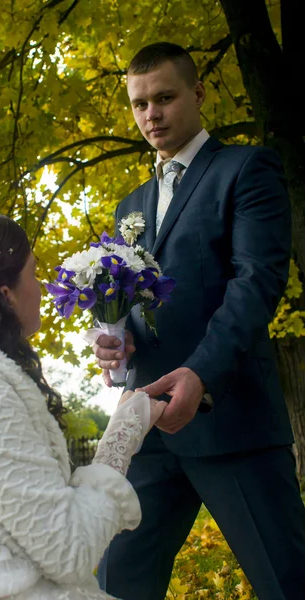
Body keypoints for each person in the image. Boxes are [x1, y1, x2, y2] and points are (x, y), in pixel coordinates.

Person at [94, 42, 305, 600]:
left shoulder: (246, 168)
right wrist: (115, 341)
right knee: (113, 583)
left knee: (286, 583)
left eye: (164, 98)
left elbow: (256, 281)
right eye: (139, 104)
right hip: (147, 425)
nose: (151, 115)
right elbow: (133, 301)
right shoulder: (130, 205)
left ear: (199, 93)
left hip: (229, 416)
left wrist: (201, 375)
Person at [0, 205, 167, 600]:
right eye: (33, 272)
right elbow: (70, 549)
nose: (42, 286)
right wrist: (124, 433)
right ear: (6, 295)